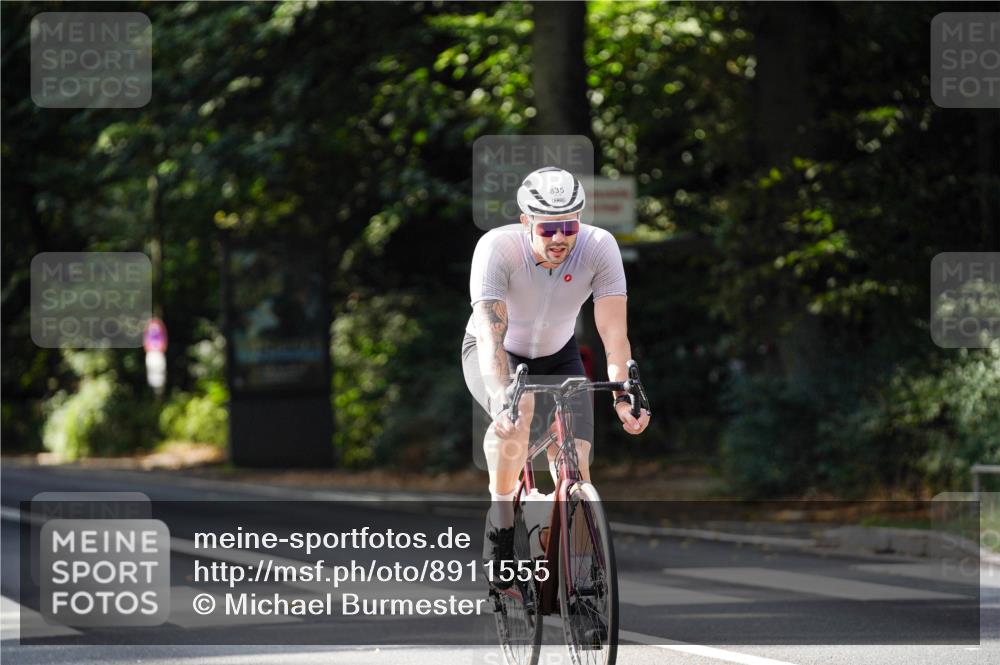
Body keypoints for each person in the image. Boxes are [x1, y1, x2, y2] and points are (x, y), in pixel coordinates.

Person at [461, 166, 651, 585]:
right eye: (548, 228)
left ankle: (579, 578)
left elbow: (613, 333)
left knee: (576, 460)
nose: (560, 238)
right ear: (525, 221)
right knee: (518, 411)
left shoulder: (599, 247)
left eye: (569, 226)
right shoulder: (497, 248)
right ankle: (502, 520)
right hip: (497, 349)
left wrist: (623, 395)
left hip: (559, 353)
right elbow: (491, 338)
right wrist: (501, 397)